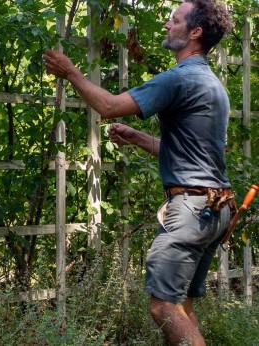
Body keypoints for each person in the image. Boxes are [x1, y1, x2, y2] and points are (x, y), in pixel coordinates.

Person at [44, 0, 233, 345]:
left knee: (162, 307)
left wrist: (70, 71)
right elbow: (201, 155)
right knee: (182, 306)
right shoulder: (212, 84)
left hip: (191, 211)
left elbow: (110, 105)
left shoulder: (180, 77)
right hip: (216, 208)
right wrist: (140, 138)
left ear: (195, 32)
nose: (166, 25)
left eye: (174, 20)